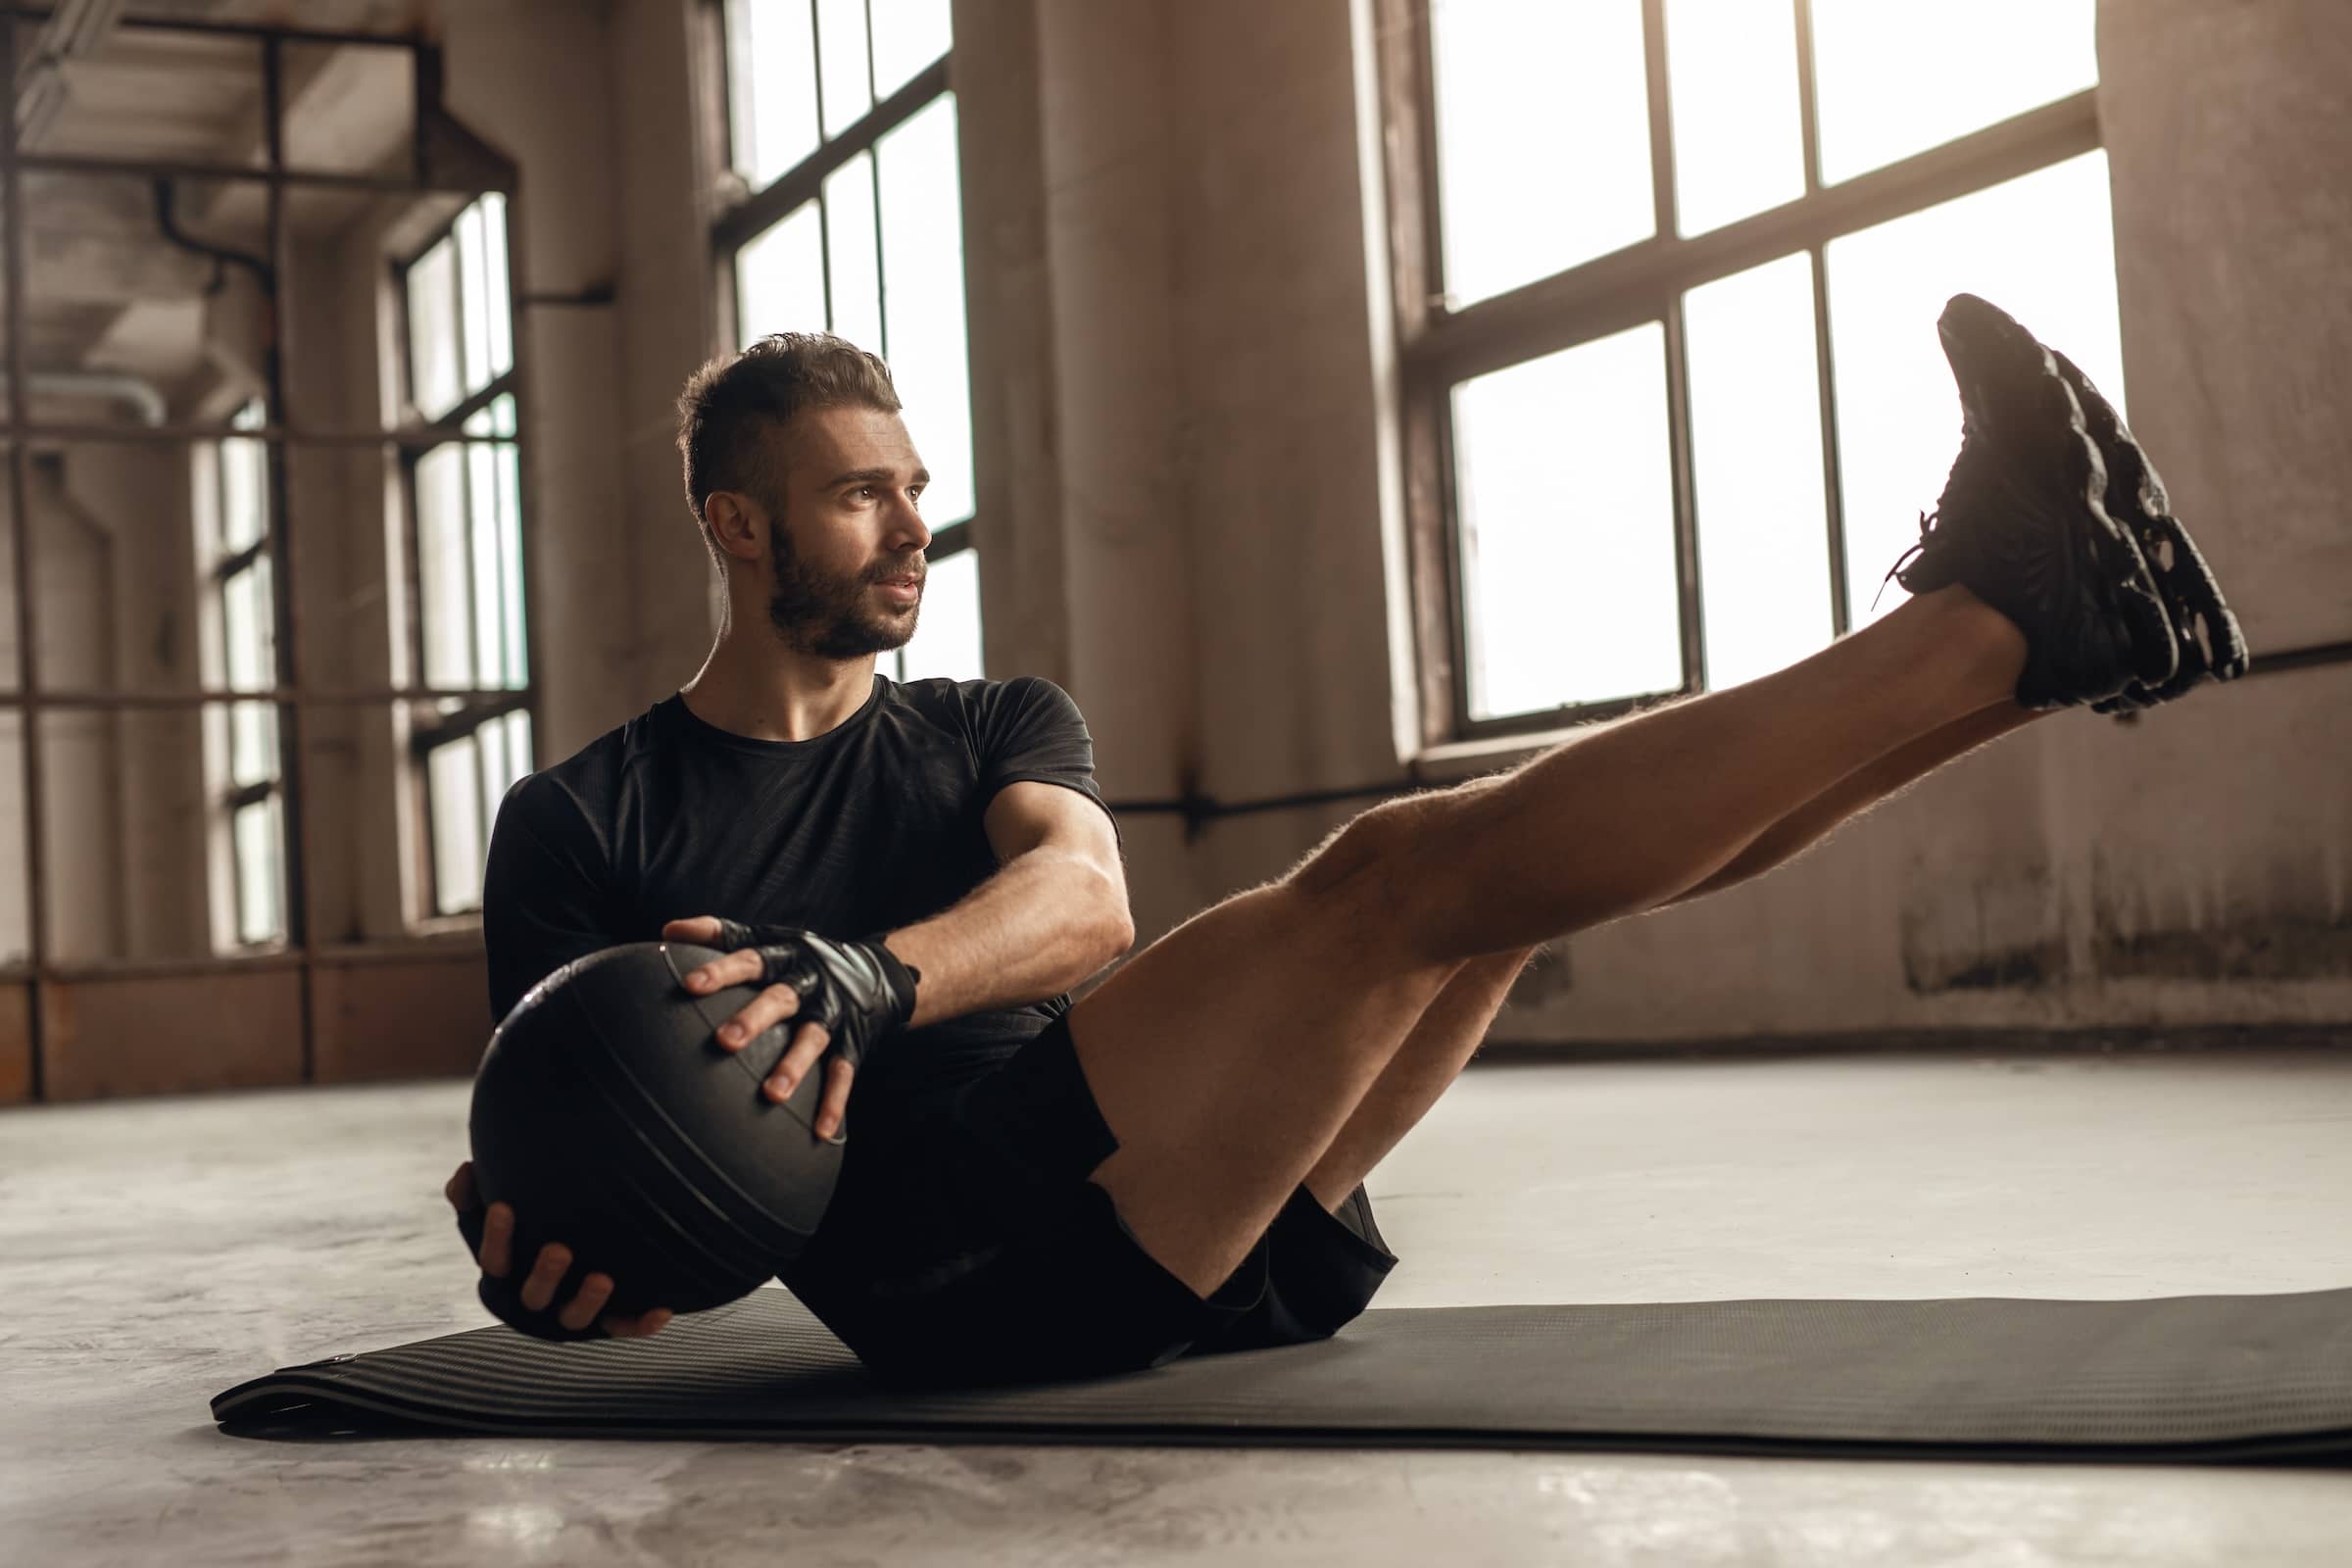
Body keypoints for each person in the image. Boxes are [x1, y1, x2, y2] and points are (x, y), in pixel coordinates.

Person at [445, 300, 2245, 1385]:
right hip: (954, 1279)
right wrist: (564, 1269)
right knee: (1406, 872)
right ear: (739, 527)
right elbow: (563, 1167)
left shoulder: (991, 724)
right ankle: (1993, 623)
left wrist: (865, 979)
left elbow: (1082, 905)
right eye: (861, 495)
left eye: (917, 486)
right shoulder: (584, 818)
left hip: (1192, 1201)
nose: (914, 526)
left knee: (1498, 888)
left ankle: (2022, 660)